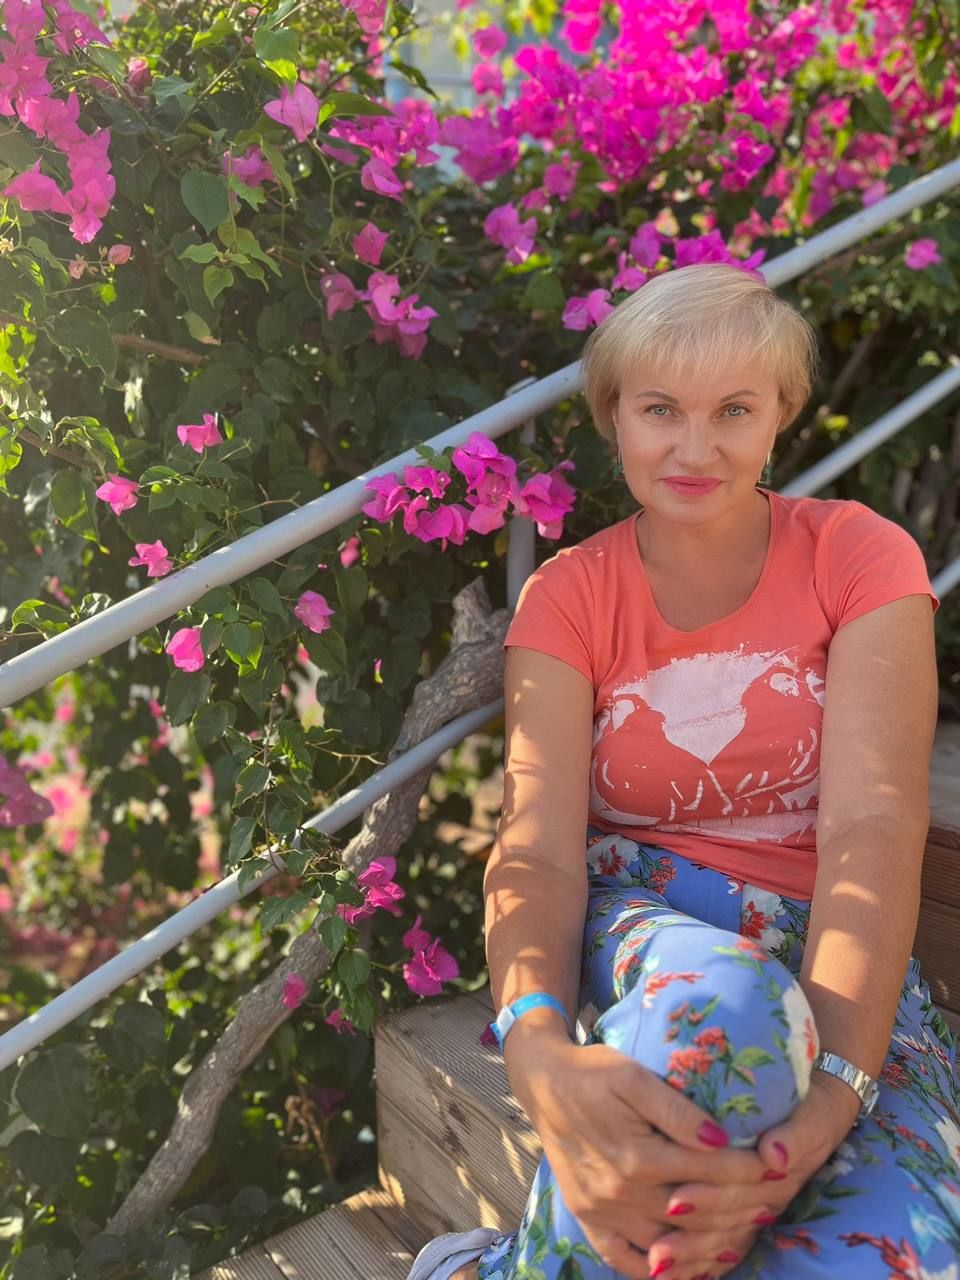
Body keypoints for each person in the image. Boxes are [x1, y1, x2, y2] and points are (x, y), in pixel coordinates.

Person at [407, 263, 958, 1280]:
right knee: (730, 1009)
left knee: (890, 1259)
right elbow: (536, 849)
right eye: (660, 408)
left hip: (831, 943)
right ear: (613, 415)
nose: (696, 448)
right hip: (650, 919)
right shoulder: (569, 596)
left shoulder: (858, 555)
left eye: (734, 410)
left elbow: (873, 826)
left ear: (781, 414)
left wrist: (837, 1089)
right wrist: (534, 1045)